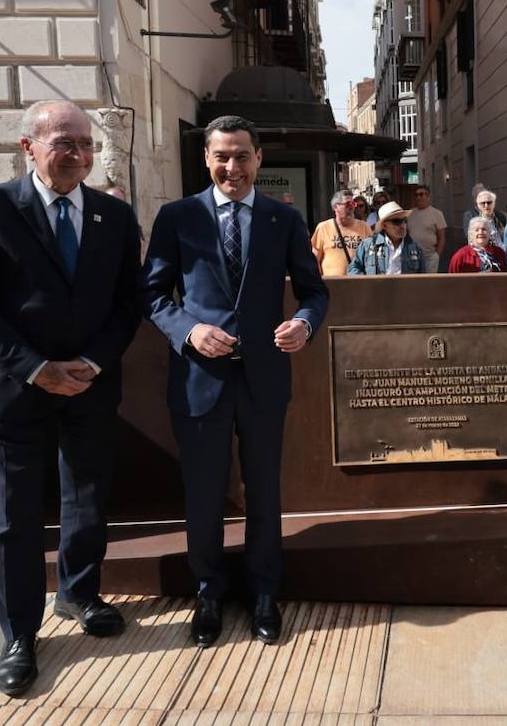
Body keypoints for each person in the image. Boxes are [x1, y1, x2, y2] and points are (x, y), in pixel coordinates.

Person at [0, 100, 143, 696]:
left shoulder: (113, 214)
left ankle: (79, 593)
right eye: (64, 143)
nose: (79, 155)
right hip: (10, 391)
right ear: (28, 147)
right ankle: (19, 634)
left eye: (86, 144)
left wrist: (92, 362)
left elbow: (128, 304)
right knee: (14, 518)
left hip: (88, 385)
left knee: (87, 498)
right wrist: (37, 370)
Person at [142, 115, 328, 648]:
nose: (232, 167)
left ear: (259, 159)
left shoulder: (283, 219)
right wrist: (189, 330)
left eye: (242, 156)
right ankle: (208, 593)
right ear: (207, 159)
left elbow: (315, 292)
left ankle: (264, 592)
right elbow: (152, 294)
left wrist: (304, 324)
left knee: (264, 491)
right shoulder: (177, 217)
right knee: (204, 494)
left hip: (264, 379)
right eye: (221, 156)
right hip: (199, 379)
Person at [348, 201, 427, 274]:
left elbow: (422, 278)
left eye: (404, 220)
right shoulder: (367, 245)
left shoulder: (415, 248)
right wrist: (367, 283)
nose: (402, 225)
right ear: (384, 225)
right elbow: (353, 269)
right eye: (396, 221)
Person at [310, 190, 372, 277]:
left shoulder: (364, 227)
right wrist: (319, 279)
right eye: (347, 204)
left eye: (353, 204)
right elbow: (314, 257)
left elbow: (371, 256)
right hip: (332, 283)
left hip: (358, 282)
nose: (351, 207)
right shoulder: (323, 227)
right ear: (336, 207)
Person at [407, 185, 447, 273]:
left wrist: (437, 255)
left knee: (429, 281)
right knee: (413, 280)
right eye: (416, 195)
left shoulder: (437, 214)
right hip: (413, 257)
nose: (418, 197)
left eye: (421, 194)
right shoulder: (410, 214)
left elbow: (442, 237)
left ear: (428, 196)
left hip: (430, 257)